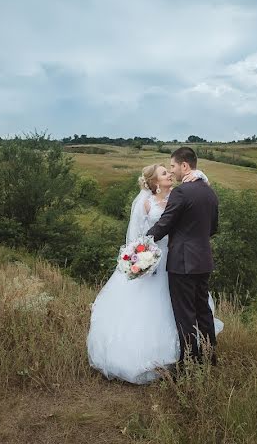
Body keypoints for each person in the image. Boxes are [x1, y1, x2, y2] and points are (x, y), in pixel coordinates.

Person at [87, 161, 223, 384]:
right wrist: (141, 257)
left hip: (177, 258)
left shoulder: (179, 197)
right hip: (155, 259)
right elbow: (139, 235)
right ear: (154, 182)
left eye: (171, 169)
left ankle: (187, 357)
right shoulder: (146, 204)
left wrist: (200, 174)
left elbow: (198, 195)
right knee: (158, 309)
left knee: (184, 310)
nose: (169, 173)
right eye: (164, 172)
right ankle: (160, 358)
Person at [147, 147, 220, 368]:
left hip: (182, 262)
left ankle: (188, 364)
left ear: (184, 166)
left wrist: (142, 243)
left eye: (173, 166)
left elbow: (164, 224)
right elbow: (213, 228)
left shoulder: (181, 192)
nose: (172, 171)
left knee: (185, 315)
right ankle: (209, 358)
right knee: (203, 311)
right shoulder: (209, 192)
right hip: (203, 259)